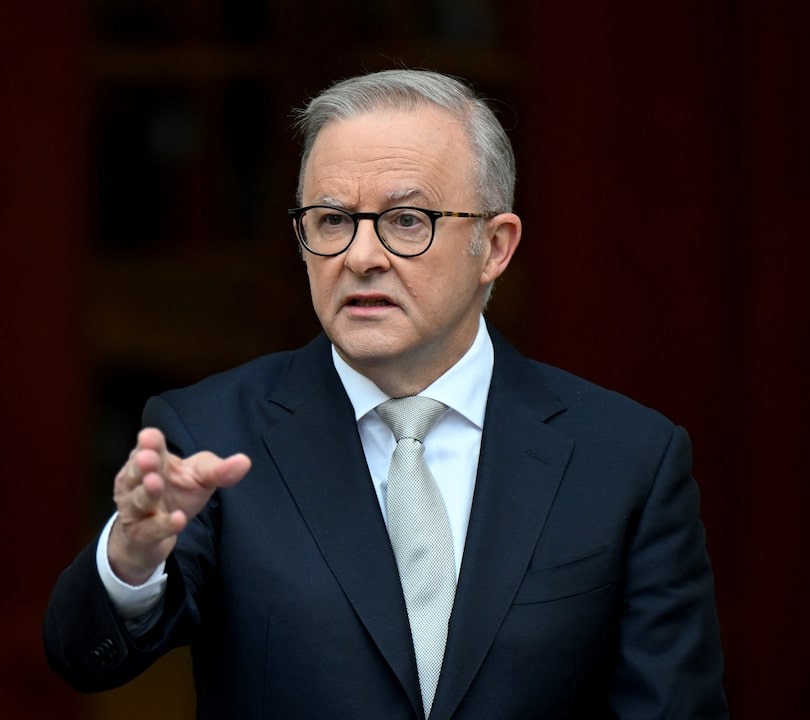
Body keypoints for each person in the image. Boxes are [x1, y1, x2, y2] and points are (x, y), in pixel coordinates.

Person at [44, 69, 728, 719]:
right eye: (331, 220)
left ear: (494, 246)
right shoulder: (213, 436)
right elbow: (84, 657)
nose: (360, 256)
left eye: (406, 220)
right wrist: (131, 560)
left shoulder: (626, 459)